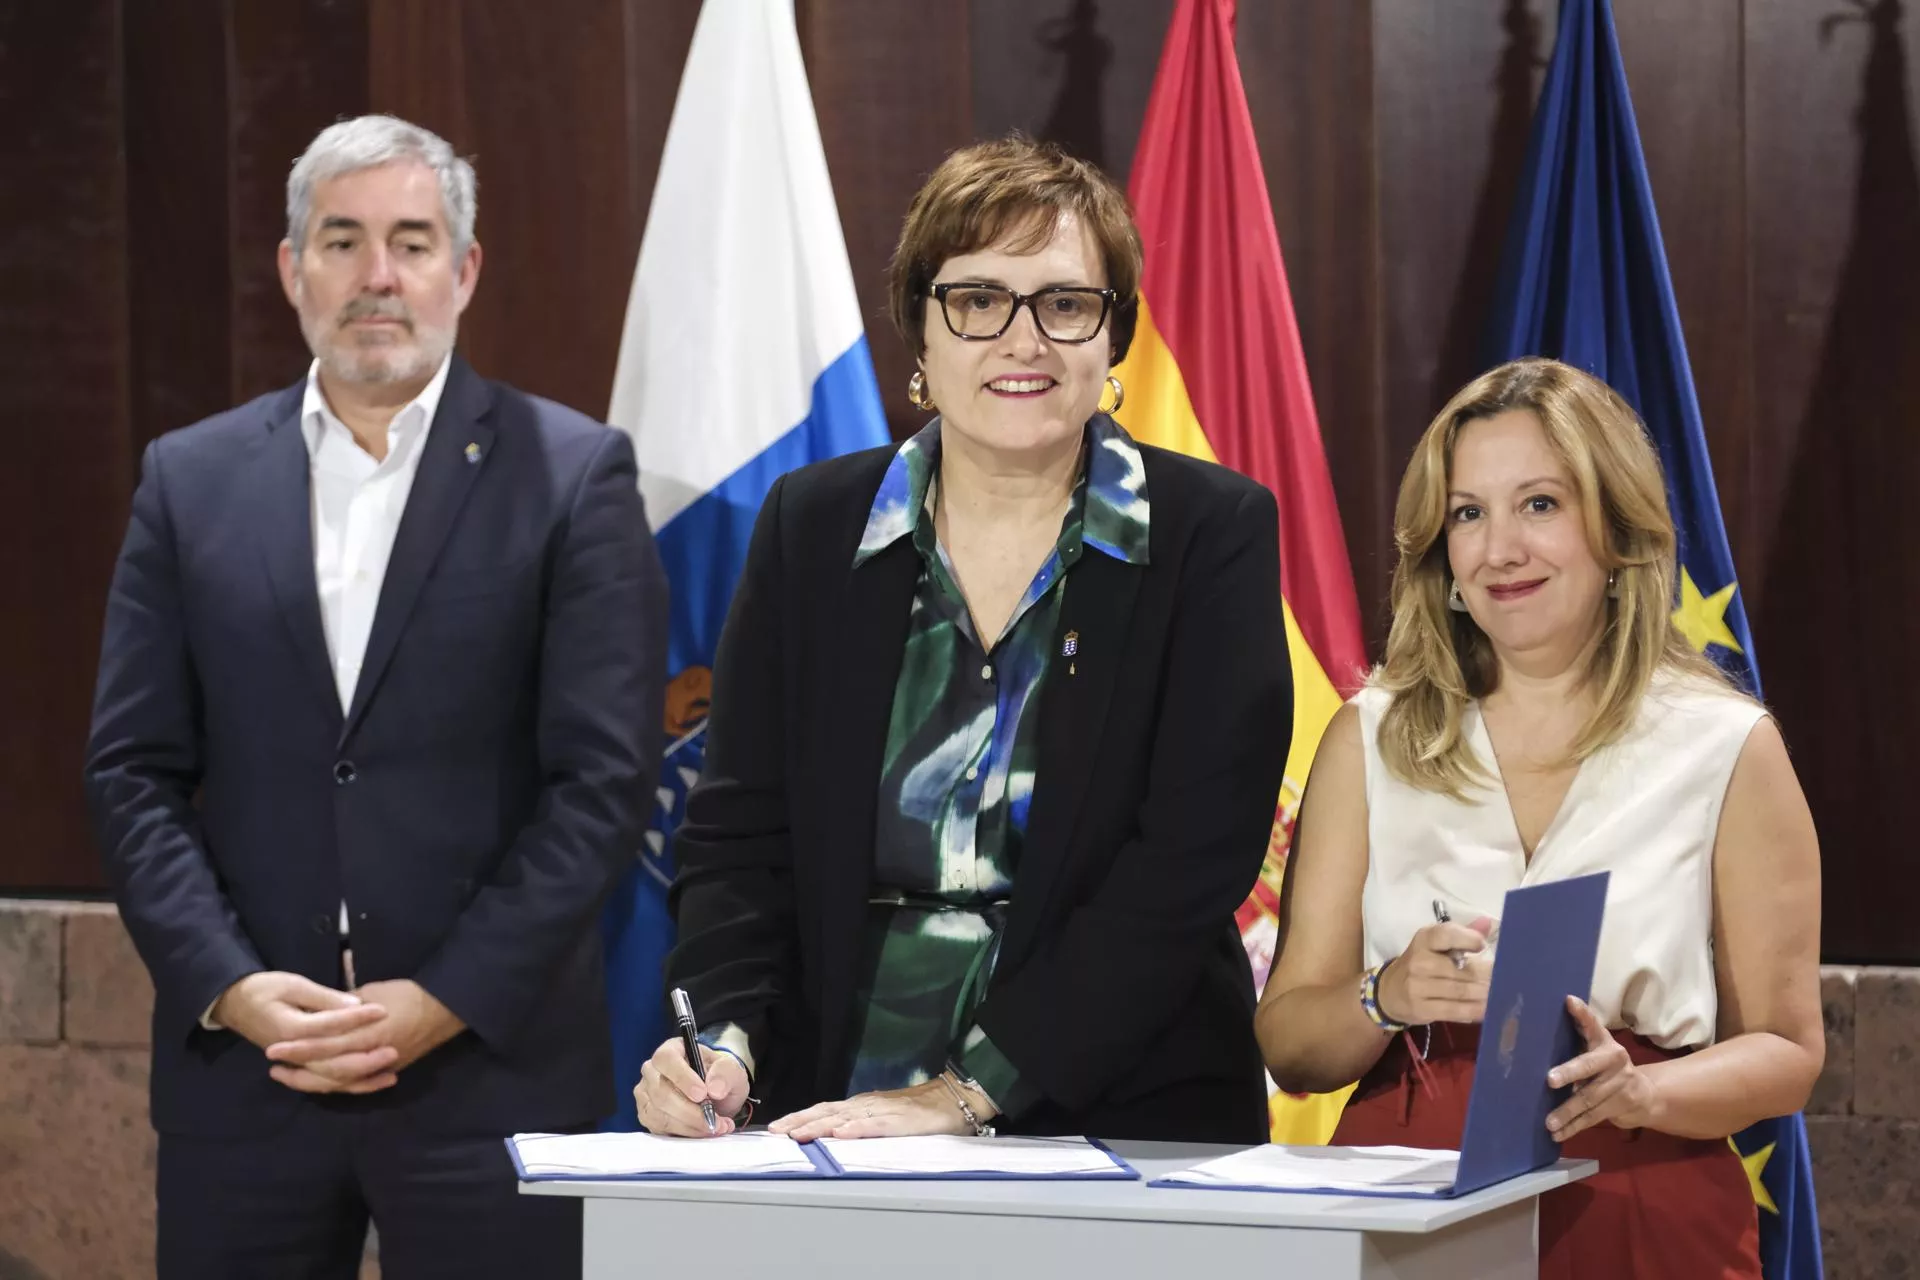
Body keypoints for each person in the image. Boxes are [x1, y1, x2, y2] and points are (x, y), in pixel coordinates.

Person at [83, 114, 667, 1279]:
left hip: (489, 1079)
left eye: (411, 239)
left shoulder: (572, 476)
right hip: (246, 1081)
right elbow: (131, 772)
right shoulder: (187, 481)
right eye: (342, 241)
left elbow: (601, 789)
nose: (378, 276)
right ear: (294, 268)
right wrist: (234, 988)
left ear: (465, 269)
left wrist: (443, 997)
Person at [631, 136, 1291, 1144]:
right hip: (830, 1115)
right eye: (978, 300)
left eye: (1065, 304)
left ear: (1113, 338)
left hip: (1121, 1117)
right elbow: (740, 838)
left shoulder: (1211, 531)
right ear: (921, 336)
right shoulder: (810, 526)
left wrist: (964, 1092)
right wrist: (720, 1041)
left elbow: (1190, 865)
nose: (1022, 339)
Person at [1256, 358, 1824, 1278]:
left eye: (1540, 505)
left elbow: (1789, 1052)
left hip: (1644, 1204)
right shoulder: (1371, 736)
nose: (1499, 549)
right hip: (1410, 1207)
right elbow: (1290, 1044)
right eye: (1469, 514)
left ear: (1617, 533)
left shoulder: (1726, 746)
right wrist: (1385, 995)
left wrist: (1644, 1090)